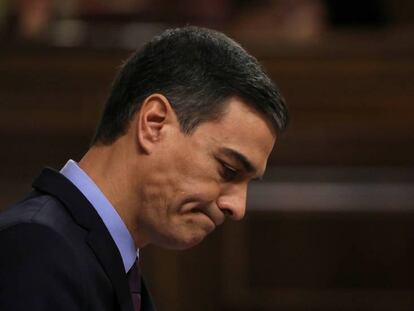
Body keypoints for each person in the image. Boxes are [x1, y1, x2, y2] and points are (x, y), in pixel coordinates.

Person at [0, 26, 288, 311]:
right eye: (228, 169)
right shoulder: (37, 248)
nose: (238, 207)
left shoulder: (103, 262)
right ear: (154, 123)